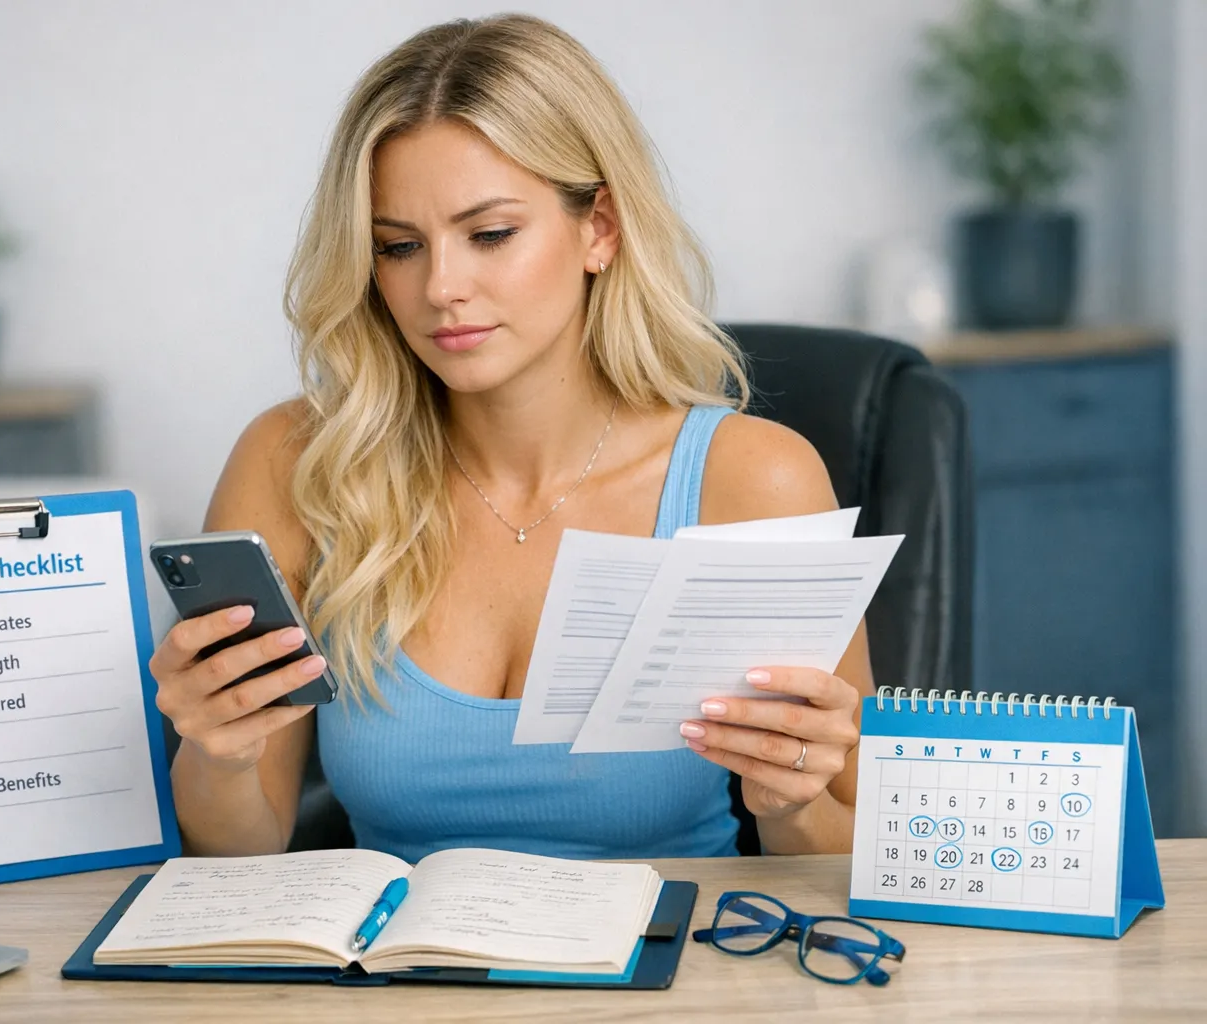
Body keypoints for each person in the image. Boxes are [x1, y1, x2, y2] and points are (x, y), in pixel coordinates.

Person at [151, 13, 871, 861]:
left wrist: (789, 806)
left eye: (490, 234)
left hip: (669, 979)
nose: (441, 287)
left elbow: (859, 855)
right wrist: (216, 753)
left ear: (599, 228)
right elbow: (239, 858)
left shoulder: (753, 480)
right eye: (399, 247)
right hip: (390, 983)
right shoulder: (298, 464)